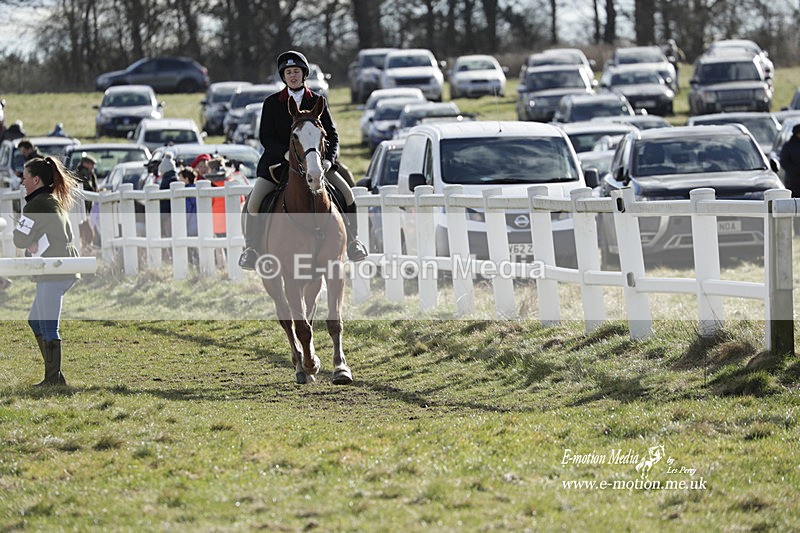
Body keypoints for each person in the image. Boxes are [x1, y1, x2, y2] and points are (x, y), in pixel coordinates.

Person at [238, 50, 368, 270]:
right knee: (254, 201)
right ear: (283, 76)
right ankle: (251, 249)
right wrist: (286, 154)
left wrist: (328, 159)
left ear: (304, 74)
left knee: (347, 194)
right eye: (288, 72)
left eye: (296, 71)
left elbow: (332, 135)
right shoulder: (271, 103)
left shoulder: (318, 101)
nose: (292, 75)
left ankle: (354, 241)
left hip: (317, 164)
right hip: (278, 166)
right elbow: (266, 137)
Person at [12, 156, 80, 386]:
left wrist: (28, 238)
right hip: (62, 265)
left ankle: (53, 380)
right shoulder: (50, 200)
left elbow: (20, 239)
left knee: (48, 325)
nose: (22, 181)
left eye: (25, 176)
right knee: (35, 321)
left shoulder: (36, 204)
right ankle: (55, 376)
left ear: (36, 179)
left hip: (53, 268)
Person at [779, 123, 800, 235]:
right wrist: (796, 170)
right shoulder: (789, 146)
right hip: (794, 182)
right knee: (796, 207)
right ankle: (797, 230)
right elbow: (784, 162)